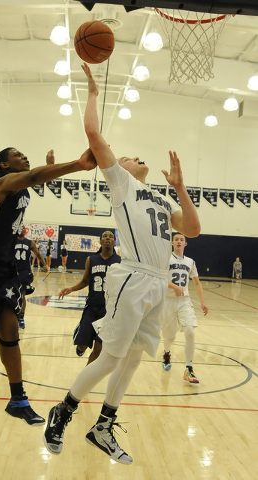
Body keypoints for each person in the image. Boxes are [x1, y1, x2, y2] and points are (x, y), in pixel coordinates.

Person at [43, 63, 201, 464]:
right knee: (111, 356)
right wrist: (93, 91)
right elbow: (94, 135)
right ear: (121, 168)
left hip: (159, 284)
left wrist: (180, 188)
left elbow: (195, 229)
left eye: (131, 156)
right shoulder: (122, 183)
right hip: (131, 276)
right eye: (128, 156)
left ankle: (104, 425)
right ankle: (63, 411)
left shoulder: (164, 201)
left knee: (131, 359)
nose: (133, 157)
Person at [0, 146, 96, 425]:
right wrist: (77, 164)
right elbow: (30, 178)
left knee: (11, 331)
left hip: (3, 268)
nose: (24, 156)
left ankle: (18, 400)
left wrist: (49, 171)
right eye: (18, 154)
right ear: (4, 164)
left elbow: (33, 179)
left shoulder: (22, 187)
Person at [59, 231, 121, 364]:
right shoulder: (91, 260)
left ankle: (85, 379)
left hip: (109, 311)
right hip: (92, 307)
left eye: (111, 236)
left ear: (114, 242)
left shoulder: (120, 262)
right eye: (104, 236)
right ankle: (80, 334)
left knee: (98, 349)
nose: (108, 238)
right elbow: (85, 281)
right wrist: (71, 288)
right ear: (100, 241)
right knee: (82, 345)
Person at [161, 232, 208, 383]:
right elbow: (159, 277)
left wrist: (202, 301)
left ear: (186, 244)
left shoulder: (190, 262)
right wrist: (174, 286)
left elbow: (197, 283)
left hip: (184, 301)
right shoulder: (165, 259)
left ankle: (189, 369)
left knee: (190, 332)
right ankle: (167, 353)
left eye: (182, 240)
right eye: (176, 239)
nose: (179, 241)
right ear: (172, 243)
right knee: (170, 337)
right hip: (167, 301)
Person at [15, 226, 47, 329]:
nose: (22, 229)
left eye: (23, 227)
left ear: (25, 230)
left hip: (25, 271)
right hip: (12, 271)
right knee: (12, 295)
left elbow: (37, 254)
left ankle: (21, 318)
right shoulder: (11, 241)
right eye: (20, 227)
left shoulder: (30, 242)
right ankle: (11, 316)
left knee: (22, 294)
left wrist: (44, 264)